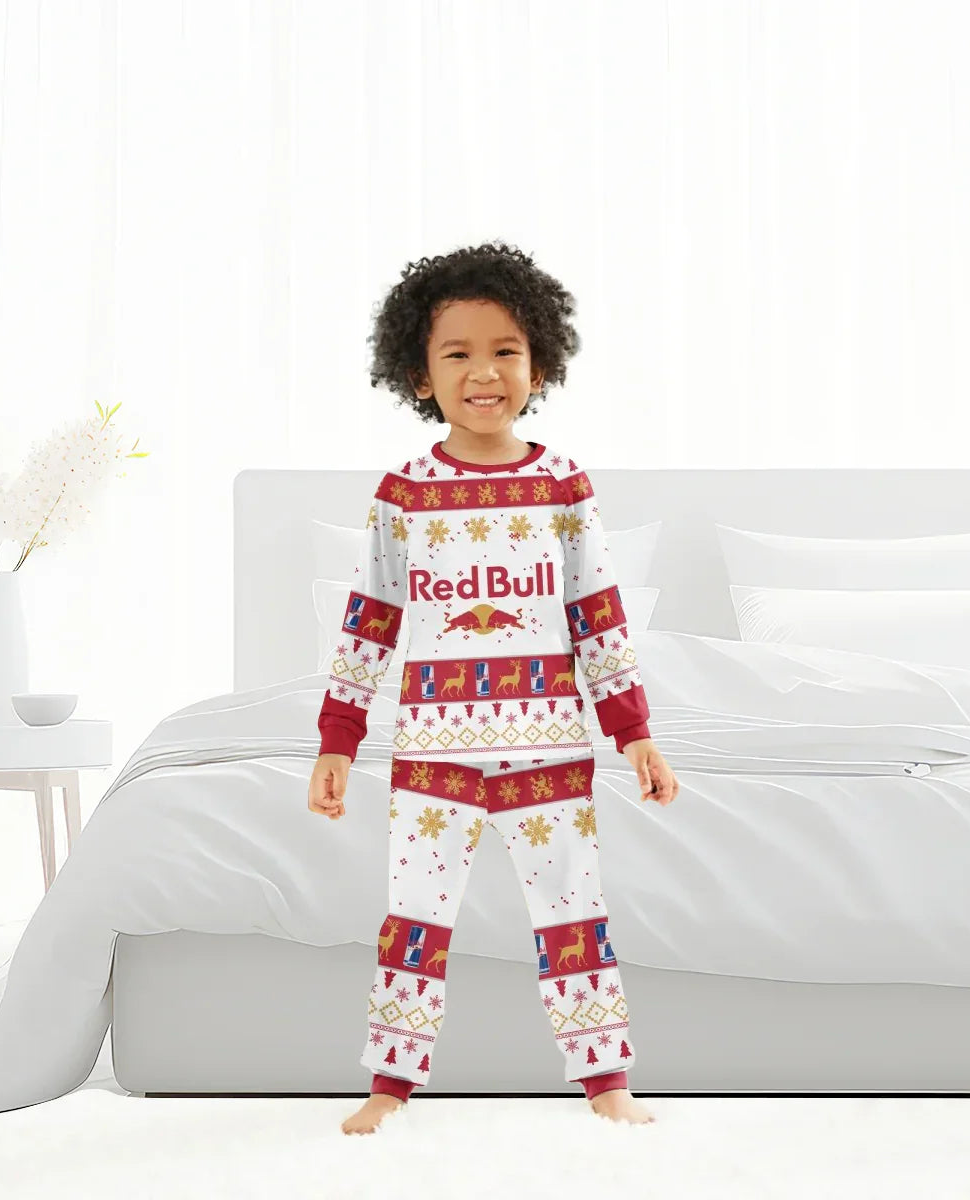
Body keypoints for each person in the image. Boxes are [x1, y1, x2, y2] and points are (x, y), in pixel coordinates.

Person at [307, 241, 679, 1136]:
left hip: (550, 748)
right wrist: (337, 737)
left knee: (571, 910)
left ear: (540, 363)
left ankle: (606, 1080)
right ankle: (390, 1085)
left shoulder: (562, 487)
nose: (484, 373)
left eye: (505, 351)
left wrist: (633, 729)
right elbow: (373, 617)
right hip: (433, 754)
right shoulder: (405, 494)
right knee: (416, 916)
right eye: (458, 354)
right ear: (419, 374)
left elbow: (597, 609)